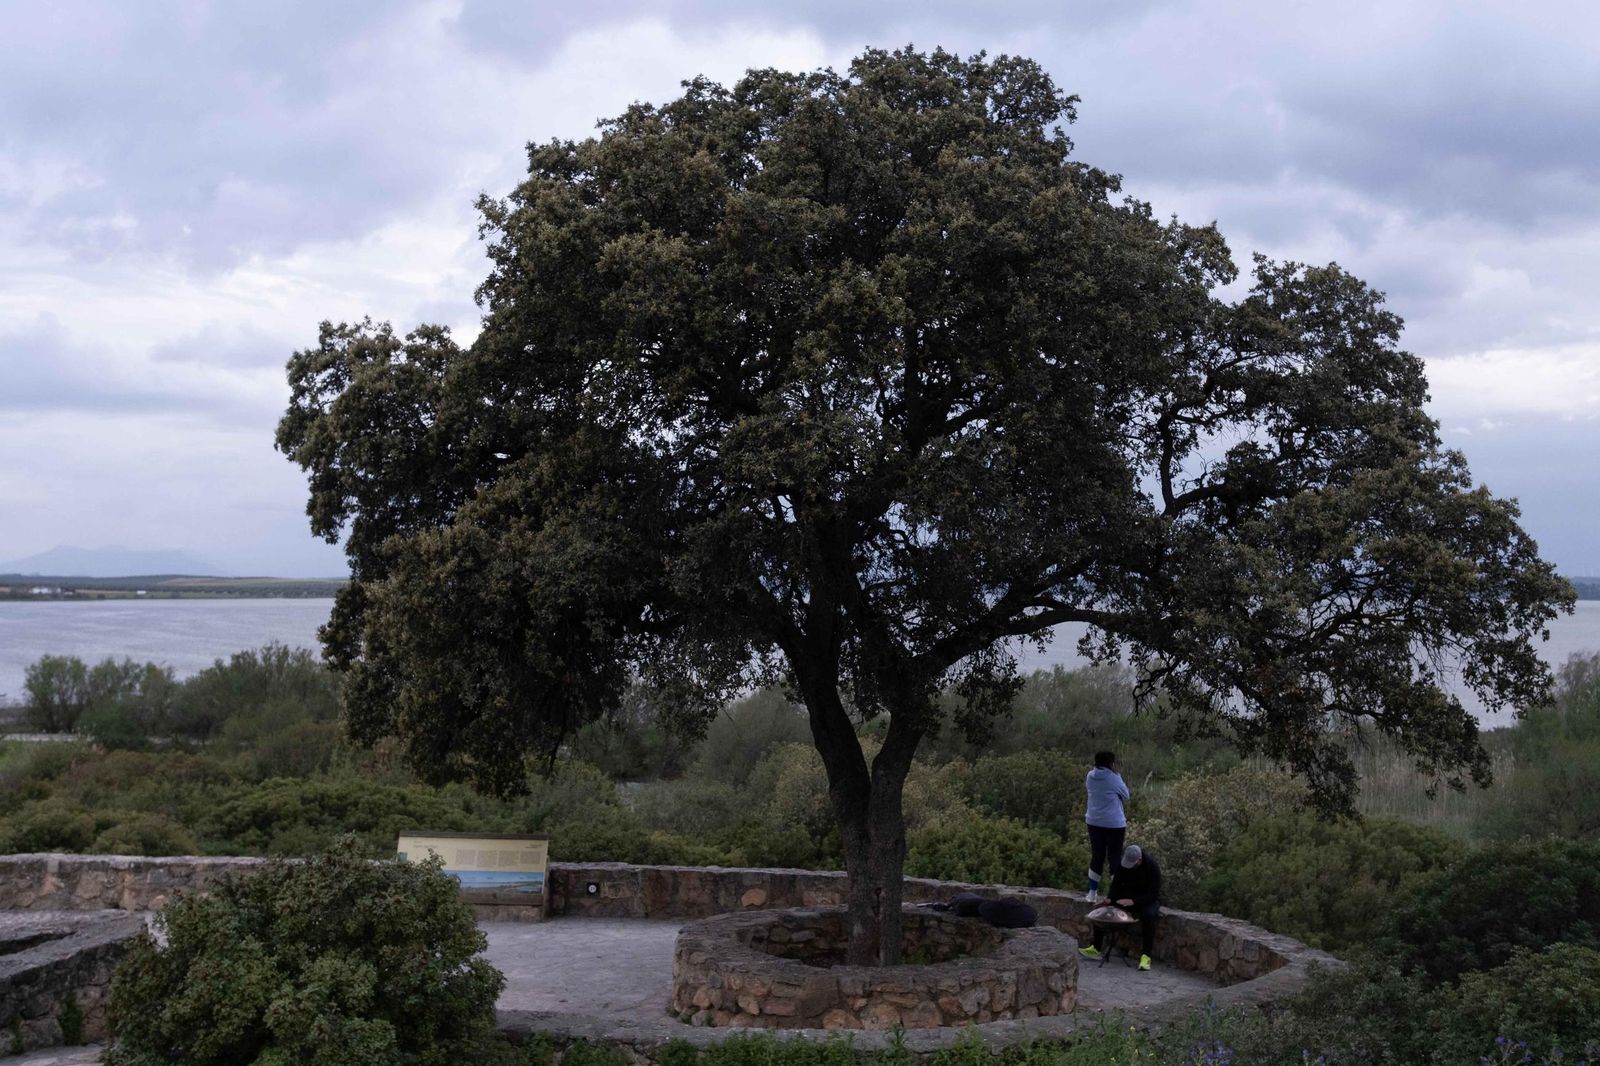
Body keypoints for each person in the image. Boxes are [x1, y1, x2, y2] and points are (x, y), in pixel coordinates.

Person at [1078, 844, 1161, 971]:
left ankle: (1146, 956)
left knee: (1148, 916)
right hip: (1127, 896)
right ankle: (1096, 948)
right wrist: (1110, 899)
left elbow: (1153, 894)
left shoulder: (1152, 867)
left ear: (1139, 860)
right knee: (1102, 910)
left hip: (1146, 900)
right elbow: (1116, 883)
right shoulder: (1123, 863)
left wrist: (1134, 901)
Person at [1084, 750, 1130, 902]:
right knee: (1114, 857)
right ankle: (1116, 894)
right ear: (1111, 763)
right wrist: (1118, 776)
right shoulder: (1113, 778)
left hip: (1093, 821)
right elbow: (1126, 795)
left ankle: (1092, 893)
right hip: (1114, 823)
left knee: (1097, 855)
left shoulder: (1090, 776)